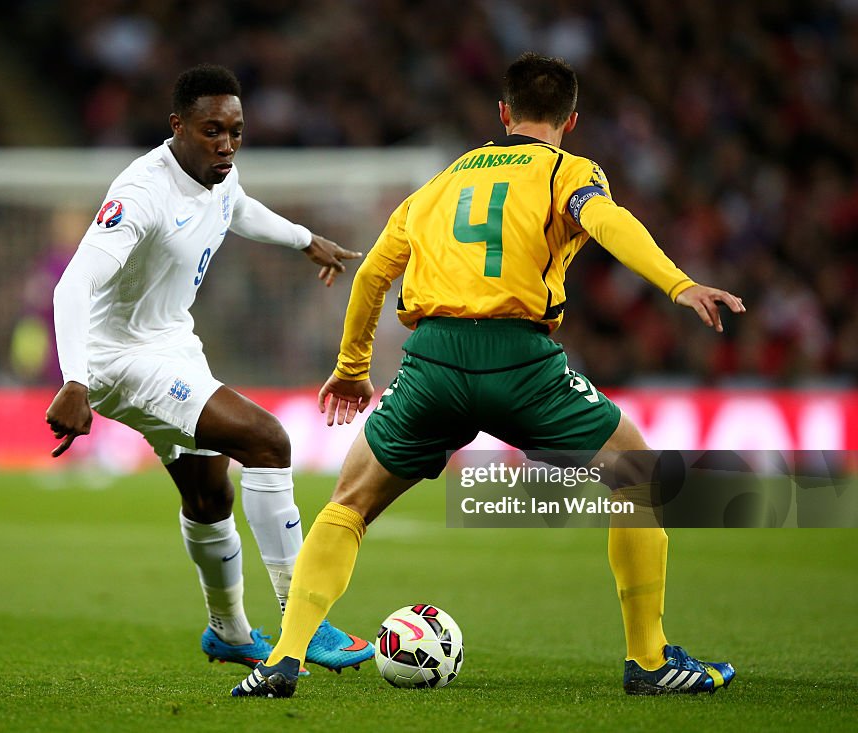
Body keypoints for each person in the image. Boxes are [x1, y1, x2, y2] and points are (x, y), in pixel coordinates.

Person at [233, 52, 744, 698]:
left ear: (503, 114)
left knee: (349, 503)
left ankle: (285, 656)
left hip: (433, 364)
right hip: (520, 362)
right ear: (571, 119)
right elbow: (605, 220)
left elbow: (369, 277)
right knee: (639, 476)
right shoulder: (569, 171)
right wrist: (677, 282)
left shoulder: (441, 182)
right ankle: (647, 658)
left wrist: (353, 367)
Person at [45, 63, 374, 674]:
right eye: (211, 132)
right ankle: (306, 621)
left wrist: (304, 239)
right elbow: (73, 287)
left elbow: (238, 207)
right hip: (118, 357)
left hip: (173, 344)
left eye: (236, 132)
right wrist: (74, 381)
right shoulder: (142, 191)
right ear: (178, 127)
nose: (226, 145)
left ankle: (227, 630)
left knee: (208, 491)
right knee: (266, 439)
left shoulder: (218, 172)